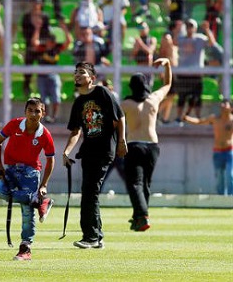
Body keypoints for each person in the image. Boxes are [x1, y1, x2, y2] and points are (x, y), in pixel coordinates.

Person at [62, 62, 127, 249]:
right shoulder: (78, 102)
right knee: (90, 192)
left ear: (92, 77)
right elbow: (76, 131)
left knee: (90, 191)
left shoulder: (102, 93)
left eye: (82, 72)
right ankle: (96, 236)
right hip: (88, 151)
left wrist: (121, 141)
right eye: (75, 72)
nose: (77, 75)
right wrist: (66, 151)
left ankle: (90, 237)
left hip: (104, 149)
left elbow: (120, 117)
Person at [0, 97, 55, 261]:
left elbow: (50, 160)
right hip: (11, 170)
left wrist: (44, 185)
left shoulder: (45, 134)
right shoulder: (14, 124)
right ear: (25, 112)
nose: (33, 114)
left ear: (43, 113)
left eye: (37, 111)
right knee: (0, 192)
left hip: (31, 172)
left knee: (27, 213)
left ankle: (25, 248)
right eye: (30, 110)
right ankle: (39, 201)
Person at [121, 58, 173, 232]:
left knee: (134, 183)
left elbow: (112, 118)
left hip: (134, 145)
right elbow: (167, 84)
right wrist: (167, 65)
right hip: (152, 146)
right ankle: (138, 218)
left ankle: (142, 215)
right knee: (145, 184)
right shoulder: (153, 99)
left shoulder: (126, 104)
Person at [184, 101, 233, 196]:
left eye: (225, 107)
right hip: (218, 151)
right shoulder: (215, 118)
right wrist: (187, 118)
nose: (223, 108)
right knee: (219, 177)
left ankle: (231, 197)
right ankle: (221, 197)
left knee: (230, 175)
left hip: (229, 151)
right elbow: (200, 121)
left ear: (231, 108)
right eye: (222, 107)